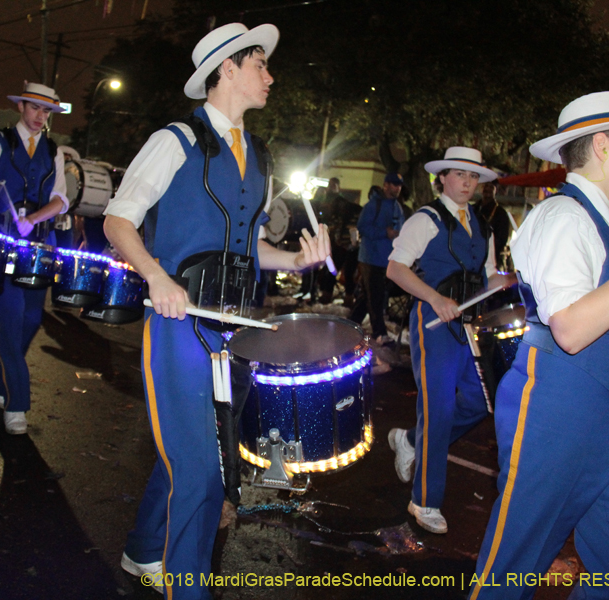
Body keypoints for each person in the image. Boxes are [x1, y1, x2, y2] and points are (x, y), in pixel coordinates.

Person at [103, 22, 329, 599]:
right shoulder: (174, 141)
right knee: (205, 470)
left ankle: (142, 551)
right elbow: (118, 219)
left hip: (237, 328)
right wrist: (155, 276)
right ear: (227, 68)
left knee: (193, 450)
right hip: (180, 324)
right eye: (260, 64)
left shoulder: (258, 153)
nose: (270, 76)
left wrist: (296, 262)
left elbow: (251, 245)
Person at [469, 91, 609, 599]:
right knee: (510, 574)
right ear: (604, 147)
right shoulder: (562, 217)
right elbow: (568, 328)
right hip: (556, 414)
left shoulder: (605, 221)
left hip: (605, 418)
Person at [386, 146, 502, 535]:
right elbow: (395, 269)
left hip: (468, 326)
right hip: (432, 322)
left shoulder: (484, 227)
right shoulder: (427, 219)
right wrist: (435, 298)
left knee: (478, 401)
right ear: (442, 179)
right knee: (436, 409)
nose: (468, 183)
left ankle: (411, 442)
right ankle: (424, 500)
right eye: (459, 175)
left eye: (473, 177)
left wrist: (510, 280)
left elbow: (488, 278)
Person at [0, 82, 68, 435]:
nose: (41, 117)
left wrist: (34, 220)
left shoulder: (55, 151)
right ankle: (16, 404)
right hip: (2, 243)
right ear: (21, 107)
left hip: (39, 246)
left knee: (31, 321)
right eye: (36, 109)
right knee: (9, 323)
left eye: (47, 112)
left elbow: (60, 200)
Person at [350, 173, 405, 344]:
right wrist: (384, 233)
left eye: (399, 185)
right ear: (385, 185)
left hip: (386, 259)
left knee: (369, 295)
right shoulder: (373, 205)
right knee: (376, 297)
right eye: (394, 185)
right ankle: (380, 333)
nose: (397, 188)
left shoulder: (397, 206)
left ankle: (351, 324)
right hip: (371, 258)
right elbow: (362, 227)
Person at [317, 177, 361, 304]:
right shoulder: (342, 208)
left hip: (346, 246)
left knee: (345, 273)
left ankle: (345, 298)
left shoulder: (344, 208)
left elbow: (339, 225)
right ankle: (338, 297)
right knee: (337, 271)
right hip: (342, 245)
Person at [474, 181, 513, 271]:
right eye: (486, 186)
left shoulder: (501, 214)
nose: (488, 189)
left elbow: (502, 239)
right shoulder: (473, 209)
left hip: (491, 259)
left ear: (495, 190)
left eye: (491, 187)